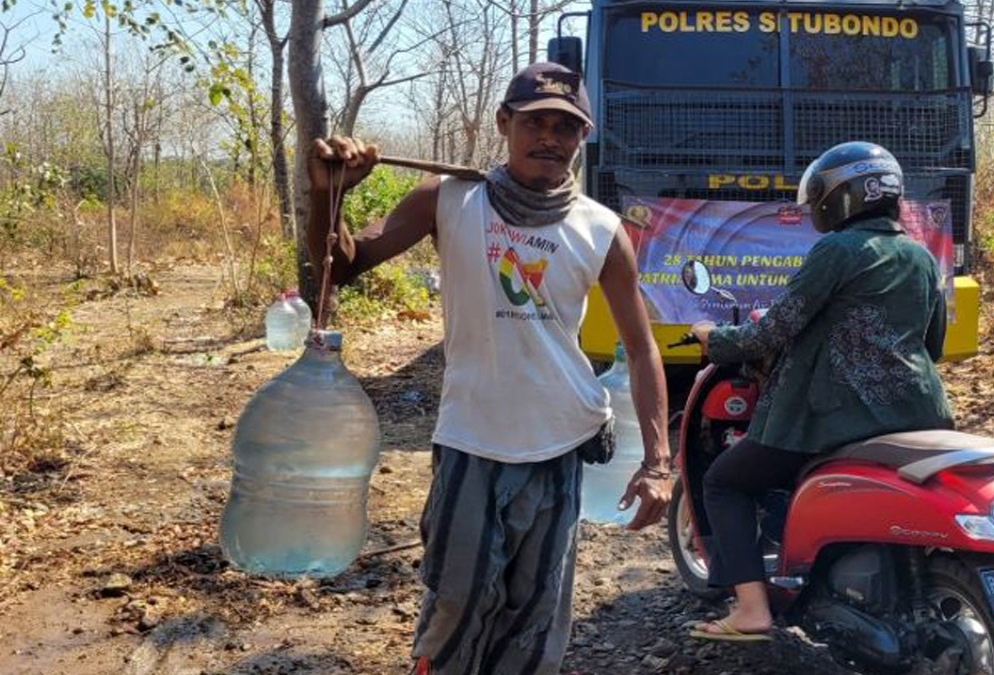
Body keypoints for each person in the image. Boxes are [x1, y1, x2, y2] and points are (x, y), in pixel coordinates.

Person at [305, 62, 673, 675]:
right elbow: (342, 266)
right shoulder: (449, 198)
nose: (549, 138)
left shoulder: (601, 229)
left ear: (583, 137)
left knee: (534, 619)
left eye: (565, 127)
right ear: (504, 122)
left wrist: (659, 461)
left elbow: (641, 348)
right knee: (456, 606)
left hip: (561, 444)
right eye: (535, 123)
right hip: (471, 442)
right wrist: (328, 195)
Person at [687, 141, 954, 641]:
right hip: (920, 415)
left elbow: (772, 332)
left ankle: (751, 610)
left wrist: (714, 338)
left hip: (830, 420)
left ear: (838, 196)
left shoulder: (837, 250)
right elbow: (933, 344)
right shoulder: (920, 257)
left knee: (724, 481)